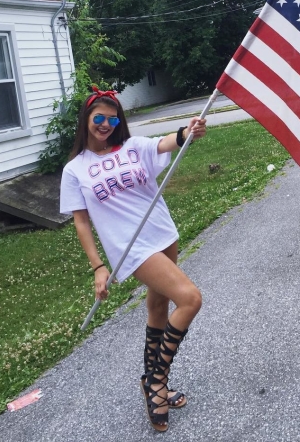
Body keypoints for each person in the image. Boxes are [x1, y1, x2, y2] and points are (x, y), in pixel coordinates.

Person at [60, 86, 207, 433]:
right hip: (131, 248)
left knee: (158, 307)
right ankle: (157, 381)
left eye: (113, 119)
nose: (106, 124)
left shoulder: (132, 147)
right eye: (99, 118)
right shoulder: (75, 170)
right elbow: (81, 221)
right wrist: (98, 266)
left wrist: (188, 131)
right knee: (190, 299)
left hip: (162, 233)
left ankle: (150, 380)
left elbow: (165, 142)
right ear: (86, 119)